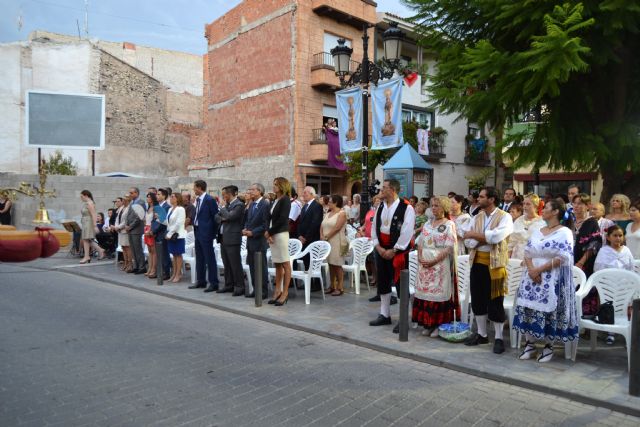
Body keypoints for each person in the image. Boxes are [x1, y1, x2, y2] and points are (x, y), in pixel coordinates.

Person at [513, 198, 579, 363]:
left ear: (556, 211)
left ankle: (549, 346)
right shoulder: (538, 230)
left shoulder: (564, 232)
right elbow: (527, 252)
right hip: (531, 277)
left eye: (546, 207)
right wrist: (531, 270)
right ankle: (530, 344)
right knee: (528, 309)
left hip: (552, 276)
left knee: (550, 312)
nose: (542, 210)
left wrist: (538, 270)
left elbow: (563, 257)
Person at [462, 187, 514, 354]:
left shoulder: (505, 217)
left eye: (482, 196)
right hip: (477, 262)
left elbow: (497, 237)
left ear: (491, 199)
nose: (478, 199)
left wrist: (475, 235)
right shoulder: (477, 216)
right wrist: (484, 238)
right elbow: (467, 241)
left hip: (495, 265)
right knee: (477, 299)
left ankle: (498, 338)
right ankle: (482, 334)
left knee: (495, 301)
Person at [369, 179, 416, 331]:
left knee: (401, 285)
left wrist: (394, 250)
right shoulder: (381, 206)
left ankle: (403, 319)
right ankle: (384, 314)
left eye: (384, 188)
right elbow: (375, 227)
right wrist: (378, 246)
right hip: (381, 250)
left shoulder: (406, 208)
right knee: (383, 282)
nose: (381, 190)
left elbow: (407, 231)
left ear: (393, 190)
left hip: (398, 253)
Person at [413, 196, 460, 337]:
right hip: (424, 265)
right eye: (432, 205)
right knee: (425, 294)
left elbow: (449, 247)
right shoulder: (428, 223)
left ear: (444, 208)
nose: (433, 208)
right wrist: (420, 257)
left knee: (437, 294)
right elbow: (420, 242)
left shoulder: (449, 224)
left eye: (436, 206)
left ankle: (438, 325)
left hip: (439, 265)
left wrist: (434, 261)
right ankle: (427, 324)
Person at [593, 224, 635, 345]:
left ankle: (626, 331)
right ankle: (610, 332)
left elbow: (631, 268)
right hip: (609, 286)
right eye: (615, 235)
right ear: (608, 237)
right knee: (610, 308)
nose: (618, 238)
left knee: (623, 307)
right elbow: (598, 269)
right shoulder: (604, 251)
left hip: (624, 285)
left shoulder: (626, 250)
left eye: (620, 235)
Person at [215, 185, 246, 296]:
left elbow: (229, 217)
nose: (223, 197)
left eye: (224, 194)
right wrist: (224, 218)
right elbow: (216, 217)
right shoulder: (227, 205)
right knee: (226, 263)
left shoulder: (239, 205)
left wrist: (223, 210)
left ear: (230, 194)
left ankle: (239, 286)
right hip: (223, 237)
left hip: (233, 238)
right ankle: (229, 285)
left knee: (235, 263)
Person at [190, 180, 220, 292]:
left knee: (209, 258)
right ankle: (201, 281)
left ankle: (213, 282)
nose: (193, 189)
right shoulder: (198, 200)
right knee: (199, 257)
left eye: (194, 187)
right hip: (197, 231)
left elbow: (215, 217)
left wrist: (212, 233)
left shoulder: (209, 200)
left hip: (206, 233)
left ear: (199, 188)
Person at [266, 177, 292, 306]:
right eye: (274, 184)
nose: (274, 186)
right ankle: (277, 291)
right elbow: (270, 218)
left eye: (276, 184)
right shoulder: (275, 200)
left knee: (285, 264)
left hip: (281, 234)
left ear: (282, 186)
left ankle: (285, 293)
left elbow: (282, 219)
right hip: (273, 233)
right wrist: (268, 232)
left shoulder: (285, 200)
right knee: (277, 263)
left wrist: (270, 232)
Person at [243, 183, 270, 300]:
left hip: (259, 240)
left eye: (253, 189)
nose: (250, 191)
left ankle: (263, 291)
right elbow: (248, 220)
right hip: (250, 241)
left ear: (259, 191)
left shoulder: (265, 204)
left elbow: (265, 224)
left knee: (261, 267)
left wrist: (253, 232)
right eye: (250, 189)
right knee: (252, 266)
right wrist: (245, 228)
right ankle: (255, 289)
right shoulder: (252, 204)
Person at [321, 195, 348, 296]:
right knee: (330, 263)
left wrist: (326, 236)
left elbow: (337, 228)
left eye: (330, 202)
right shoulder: (328, 213)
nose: (328, 203)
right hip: (327, 241)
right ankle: (332, 285)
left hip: (337, 241)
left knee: (337, 264)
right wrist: (321, 236)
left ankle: (340, 287)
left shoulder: (342, 213)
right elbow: (322, 226)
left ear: (336, 203)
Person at [572, 193, 601, 278]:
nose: (576, 206)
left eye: (580, 203)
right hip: (568, 261)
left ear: (588, 206)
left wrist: (581, 262)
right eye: (574, 203)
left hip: (584, 263)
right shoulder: (569, 221)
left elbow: (594, 244)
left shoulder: (592, 222)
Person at [509, 194, 545, 260]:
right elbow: (511, 242)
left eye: (528, 204)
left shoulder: (542, 222)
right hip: (516, 257)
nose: (525, 206)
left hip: (533, 258)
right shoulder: (518, 220)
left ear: (535, 206)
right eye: (524, 204)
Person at [297, 186, 324, 272]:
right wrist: (299, 235)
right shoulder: (304, 206)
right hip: (303, 239)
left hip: (311, 239)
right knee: (305, 262)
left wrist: (306, 237)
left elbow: (315, 223)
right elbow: (300, 222)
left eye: (305, 192)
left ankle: (313, 280)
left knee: (311, 263)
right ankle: (307, 279)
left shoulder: (317, 206)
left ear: (312, 194)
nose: (303, 194)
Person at [78, 190, 105, 263]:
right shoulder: (86, 203)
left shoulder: (90, 203)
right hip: (85, 222)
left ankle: (87, 256)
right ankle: (100, 250)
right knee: (86, 239)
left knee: (86, 239)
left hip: (88, 223)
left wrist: (95, 225)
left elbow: (94, 214)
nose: (81, 198)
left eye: (82, 196)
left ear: (86, 195)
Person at [166, 192, 186, 283]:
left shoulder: (180, 209)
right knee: (173, 254)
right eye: (170, 197)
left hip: (177, 235)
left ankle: (178, 274)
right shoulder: (170, 209)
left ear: (177, 198)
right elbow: (168, 222)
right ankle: (174, 273)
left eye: (173, 197)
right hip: (171, 234)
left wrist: (169, 234)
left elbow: (179, 223)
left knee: (178, 254)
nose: (171, 198)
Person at [126, 188, 146, 274]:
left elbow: (139, 217)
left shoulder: (141, 202)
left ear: (136, 193)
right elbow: (128, 215)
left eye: (131, 193)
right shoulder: (132, 202)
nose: (130, 194)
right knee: (133, 249)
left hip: (136, 229)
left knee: (138, 249)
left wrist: (130, 226)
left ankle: (142, 267)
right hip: (130, 229)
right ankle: (136, 266)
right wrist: (126, 225)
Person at [143, 192, 160, 279]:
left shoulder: (156, 208)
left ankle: (154, 269)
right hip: (146, 228)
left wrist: (151, 230)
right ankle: (149, 268)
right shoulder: (148, 208)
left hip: (151, 229)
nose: (147, 198)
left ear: (153, 198)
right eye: (147, 197)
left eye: (149, 197)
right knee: (149, 250)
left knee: (154, 251)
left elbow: (156, 220)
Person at [157, 188, 172, 281]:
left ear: (164, 196)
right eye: (157, 194)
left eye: (159, 194)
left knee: (165, 253)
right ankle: (161, 270)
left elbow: (164, 222)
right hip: (157, 233)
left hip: (163, 232)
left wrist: (154, 231)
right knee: (160, 254)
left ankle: (166, 272)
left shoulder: (167, 207)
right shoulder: (157, 206)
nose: (157, 196)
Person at [115, 196, 132, 272]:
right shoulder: (121, 208)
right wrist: (116, 226)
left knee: (127, 247)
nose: (124, 201)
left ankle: (129, 264)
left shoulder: (129, 208)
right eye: (123, 200)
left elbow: (125, 221)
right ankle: (125, 263)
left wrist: (118, 227)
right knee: (123, 247)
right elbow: (117, 218)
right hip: (120, 231)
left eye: (125, 200)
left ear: (128, 201)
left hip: (125, 230)